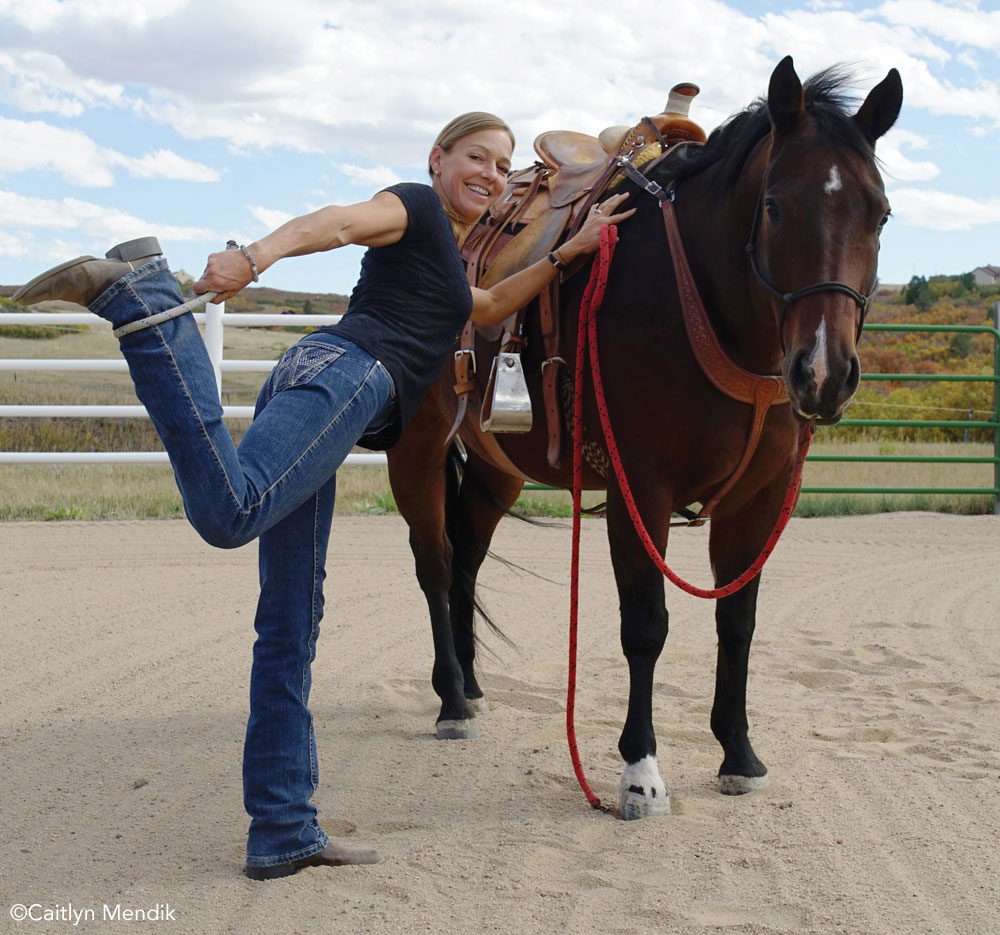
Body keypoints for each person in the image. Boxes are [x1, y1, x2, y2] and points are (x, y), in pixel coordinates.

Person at [13, 112, 633, 880]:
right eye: (477, 156)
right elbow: (336, 222)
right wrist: (255, 255)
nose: (492, 173)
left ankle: (282, 826)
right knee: (230, 513)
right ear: (437, 159)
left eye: (504, 165)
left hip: (323, 385)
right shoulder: (409, 203)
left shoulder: (447, 260)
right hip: (344, 375)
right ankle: (144, 301)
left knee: (289, 622)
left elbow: (488, 306)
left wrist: (569, 252)